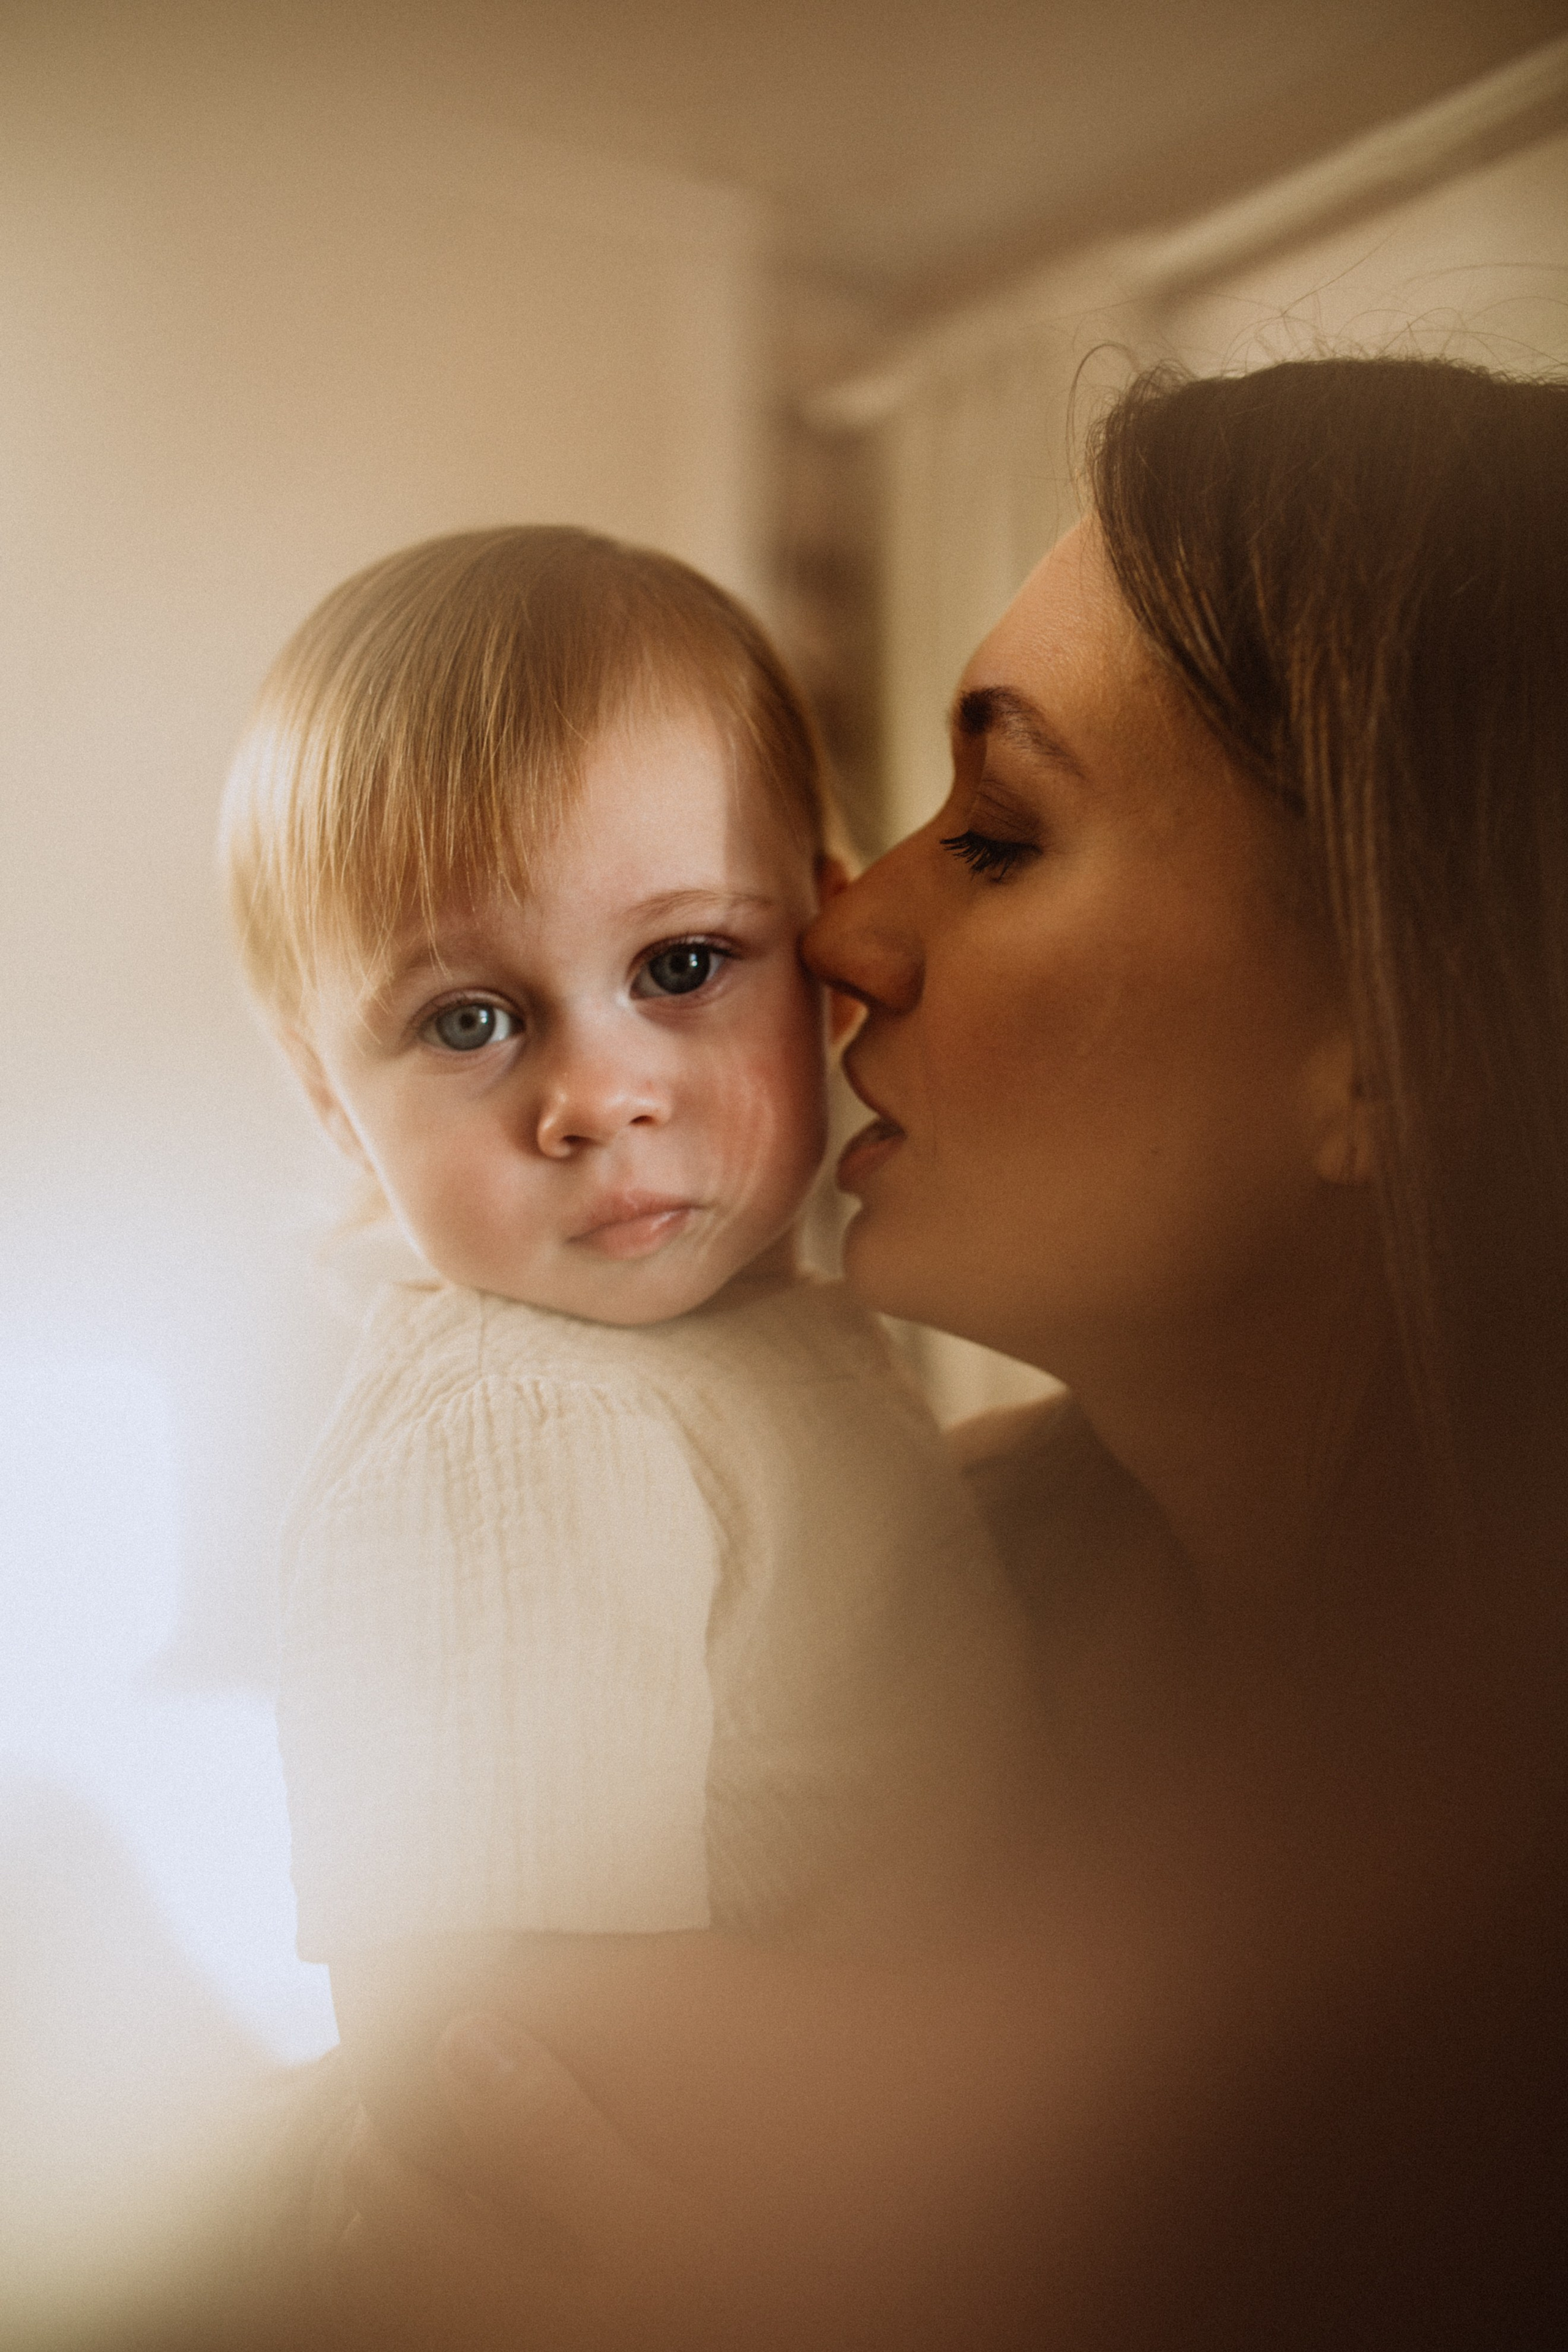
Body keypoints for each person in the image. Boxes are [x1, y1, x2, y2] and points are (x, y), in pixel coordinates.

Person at [306, 355, 1568, 2351]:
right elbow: (469, 2045)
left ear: (1397, 1047)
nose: (840, 935)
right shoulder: (917, 1551)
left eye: (998, 832)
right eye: (468, 1016)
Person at [217, 526, 1034, 2177]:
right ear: (331, 1101)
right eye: (468, 1020)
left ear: (820, 961)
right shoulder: (517, 1427)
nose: (596, 1097)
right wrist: (1030, 2092)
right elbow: (485, 2024)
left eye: (681, 967)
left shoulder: (763, 1346)